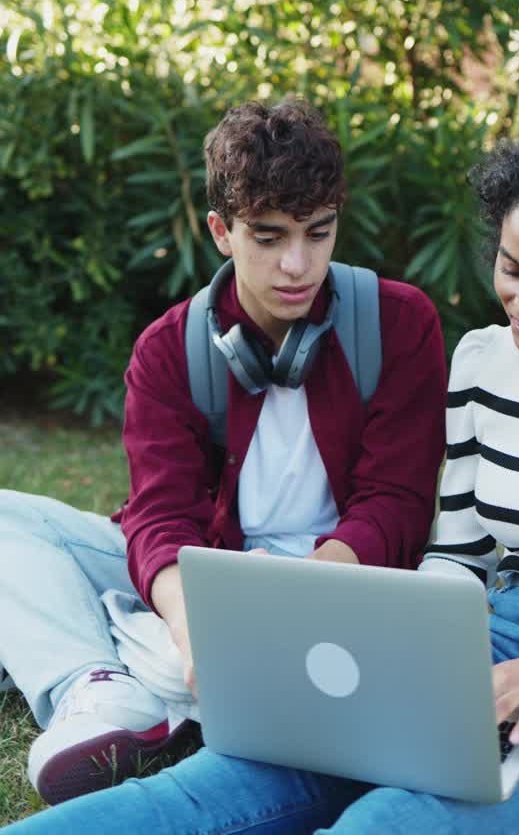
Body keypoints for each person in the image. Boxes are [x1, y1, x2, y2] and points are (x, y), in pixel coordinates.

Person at [7, 97, 519, 835]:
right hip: (496, 637)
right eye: (511, 270)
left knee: (394, 822)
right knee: (210, 791)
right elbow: (459, 556)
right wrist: (404, 654)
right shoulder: (483, 363)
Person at [0, 97, 446, 807]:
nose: (297, 265)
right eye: (267, 238)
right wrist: (199, 625)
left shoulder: (398, 323)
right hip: (210, 580)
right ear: (220, 231)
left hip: (341, 585)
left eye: (318, 233)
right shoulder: (166, 350)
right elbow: (159, 520)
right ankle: (98, 687)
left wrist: (293, 599)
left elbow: (397, 504)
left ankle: (158, 681)